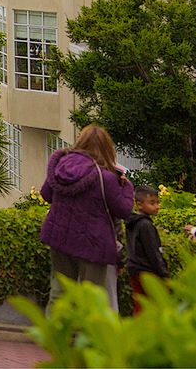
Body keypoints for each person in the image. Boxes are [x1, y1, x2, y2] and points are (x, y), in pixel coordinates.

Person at [41, 124, 134, 312]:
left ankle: (56, 336)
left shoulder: (61, 166)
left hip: (60, 238)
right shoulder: (105, 177)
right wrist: (127, 188)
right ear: (106, 147)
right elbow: (123, 210)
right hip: (93, 243)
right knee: (92, 298)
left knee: (60, 292)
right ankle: (88, 339)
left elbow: (46, 194)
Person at [126, 185, 169, 314]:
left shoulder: (132, 223)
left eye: (157, 202)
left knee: (139, 304)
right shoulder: (146, 225)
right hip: (147, 270)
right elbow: (153, 253)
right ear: (139, 205)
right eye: (152, 203)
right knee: (149, 306)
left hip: (134, 268)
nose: (157, 206)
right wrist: (164, 274)